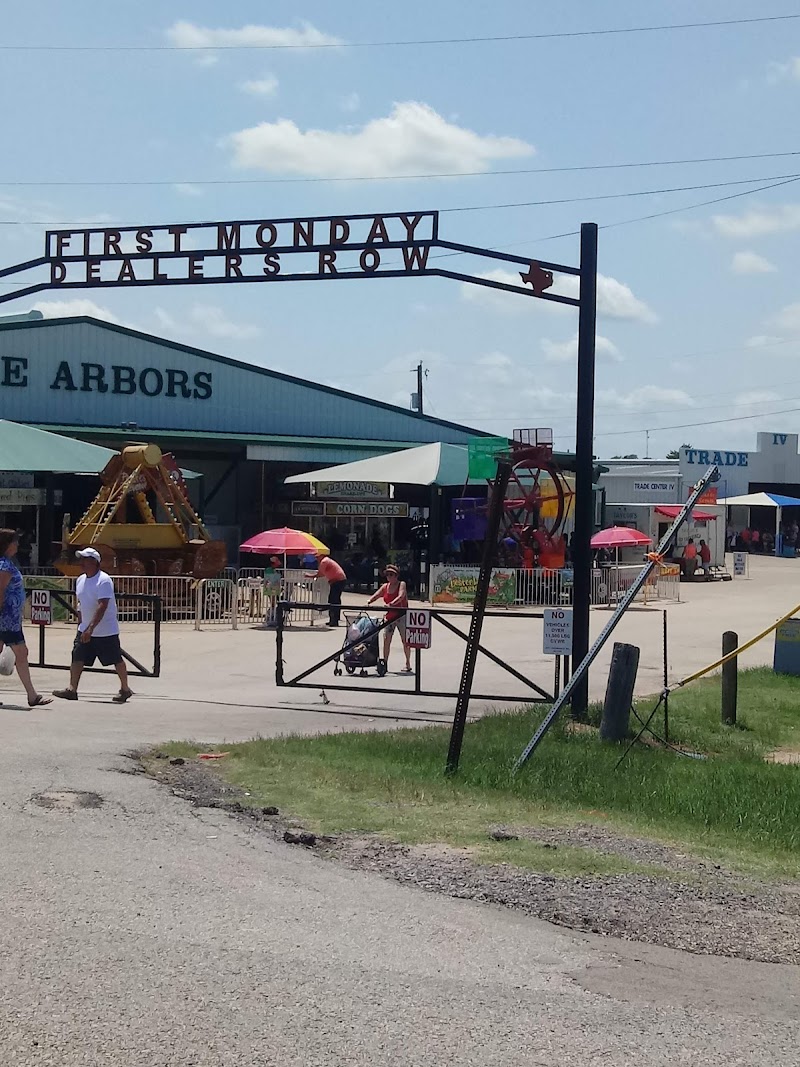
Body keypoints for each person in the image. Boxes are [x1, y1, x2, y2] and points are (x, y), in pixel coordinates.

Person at [53, 548, 132, 703]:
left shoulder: (104, 580)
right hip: (84, 629)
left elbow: (102, 605)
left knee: (116, 659)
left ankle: (125, 689)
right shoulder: (80, 579)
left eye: (85, 559)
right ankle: (72, 689)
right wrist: (81, 624)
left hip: (105, 630)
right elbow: (81, 603)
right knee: (77, 657)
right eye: (81, 559)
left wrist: (91, 628)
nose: (81, 563)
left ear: (94, 562)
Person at [0, 529, 52, 708]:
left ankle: (32, 694)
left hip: (10, 618)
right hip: (6, 619)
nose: (17, 545)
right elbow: (0, 590)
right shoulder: (5, 566)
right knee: (22, 654)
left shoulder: (6, 563)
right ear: (7, 544)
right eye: (14, 542)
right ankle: (32, 695)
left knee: (19, 654)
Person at [368, 564, 411, 672]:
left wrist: (391, 604)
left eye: (391, 574)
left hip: (401, 615)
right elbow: (377, 594)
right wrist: (369, 601)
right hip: (390, 616)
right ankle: (385, 663)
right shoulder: (385, 586)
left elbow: (401, 596)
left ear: (396, 576)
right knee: (386, 640)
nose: (389, 577)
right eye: (387, 575)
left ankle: (408, 663)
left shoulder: (401, 584)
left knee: (405, 640)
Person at [307, 552, 347, 626]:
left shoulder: (324, 561)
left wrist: (310, 576)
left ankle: (334, 620)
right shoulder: (326, 560)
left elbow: (320, 573)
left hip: (337, 580)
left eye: (317, 557)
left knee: (333, 600)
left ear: (322, 555)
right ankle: (334, 619)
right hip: (338, 580)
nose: (316, 559)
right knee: (335, 600)